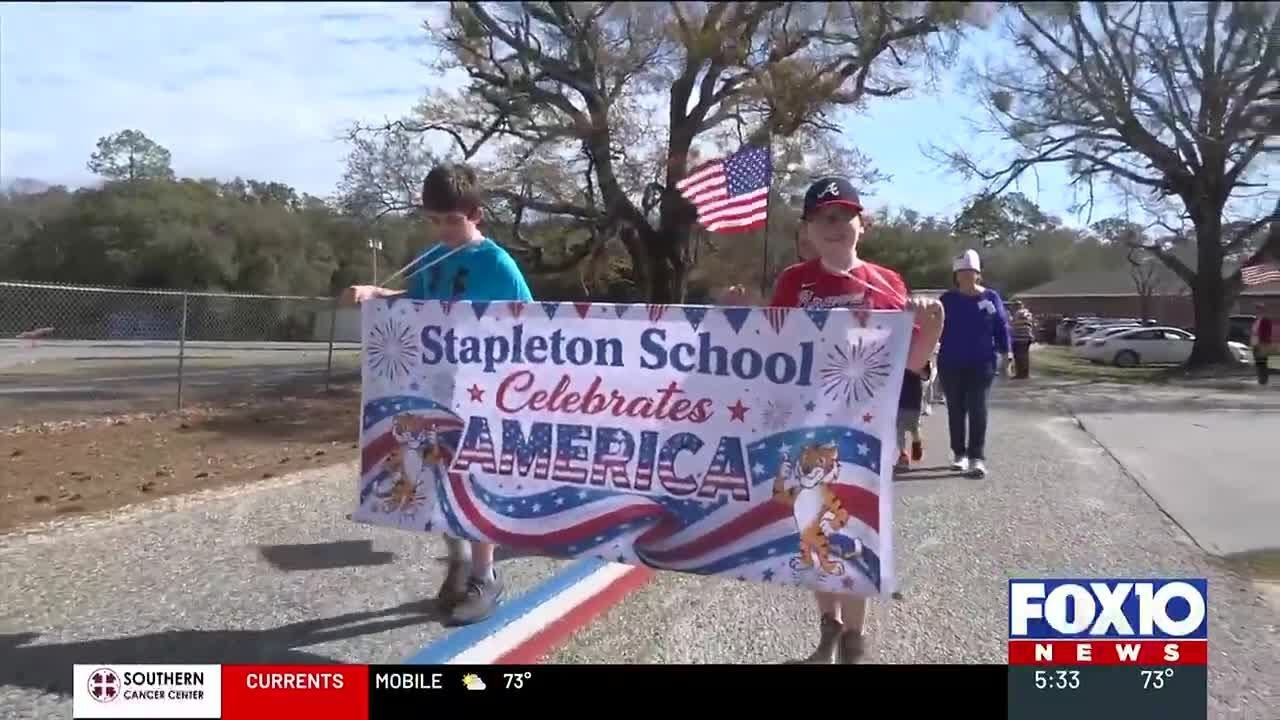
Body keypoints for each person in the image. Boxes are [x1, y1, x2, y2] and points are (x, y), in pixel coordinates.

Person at [342, 161, 533, 626]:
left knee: (476, 479)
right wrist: (374, 295)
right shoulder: (430, 259)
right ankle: (458, 561)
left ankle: (486, 575)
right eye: (434, 220)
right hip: (433, 388)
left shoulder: (497, 265)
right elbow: (413, 307)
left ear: (476, 215)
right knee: (435, 475)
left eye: (453, 220)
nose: (443, 229)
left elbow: (531, 326)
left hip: (484, 392)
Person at [770, 176, 944, 664]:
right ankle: (827, 632)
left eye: (844, 215)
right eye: (823, 217)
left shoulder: (887, 283)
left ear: (861, 224)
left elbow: (909, 363)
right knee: (815, 532)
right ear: (807, 229)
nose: (834, 225)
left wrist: (931, 330)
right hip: (808, 429)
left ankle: (854, 642)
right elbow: (773, 350)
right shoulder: (793, 282)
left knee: (857, 535)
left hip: (866, 431)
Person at [937, 250, 1011, 479]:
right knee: (956, 409)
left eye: (971, 272)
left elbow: (1001, 327)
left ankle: (976, 457)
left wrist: (1007, 354)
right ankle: (959, 454)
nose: (967, 276)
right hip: (951, 362)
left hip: (982, 363)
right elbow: (934, 329)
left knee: (978, 408)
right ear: (956, 276)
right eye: (962, 272)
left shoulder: (990, 298)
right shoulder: (947, 300)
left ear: (978, 274)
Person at [1010, 303, 1035, 379]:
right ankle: (1025, 373)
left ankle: (1020, 374)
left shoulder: (1018, 313)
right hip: (1027, 337)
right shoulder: (1028, 314)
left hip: (1019, 337)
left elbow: (1012, 324)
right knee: (1024, 356)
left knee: (1019, 356)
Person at [1251, 304, 1274, 386]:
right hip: (1255, 344)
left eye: (1259, 309)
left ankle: (1264, 380)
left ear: (1263, 310)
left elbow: (1268, 333)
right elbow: (1254, 331)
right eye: (1257, 309)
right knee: (1258, 362)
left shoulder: (1266, 320)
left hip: (1263, 344)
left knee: (1262, 362)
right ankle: (1260, 379)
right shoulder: (1257, 320)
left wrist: (1264, 343)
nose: (1258, 311)